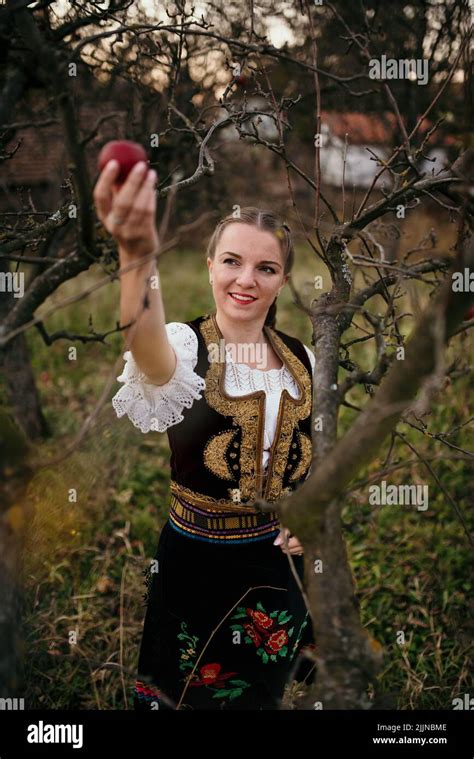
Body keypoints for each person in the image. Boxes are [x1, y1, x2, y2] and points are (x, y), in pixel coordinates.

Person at [93, 158, 316, 710]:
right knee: (184, 694)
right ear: (210, 264)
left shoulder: (302, 359)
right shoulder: (186, 347)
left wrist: (308, 515)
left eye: (266, 268)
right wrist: (136, 250)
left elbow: (312, 455)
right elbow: (144, 349)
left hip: (275, 565)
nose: (247, 279)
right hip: (196, 562)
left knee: (256, 694)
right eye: (233, 261)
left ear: (282, 279)